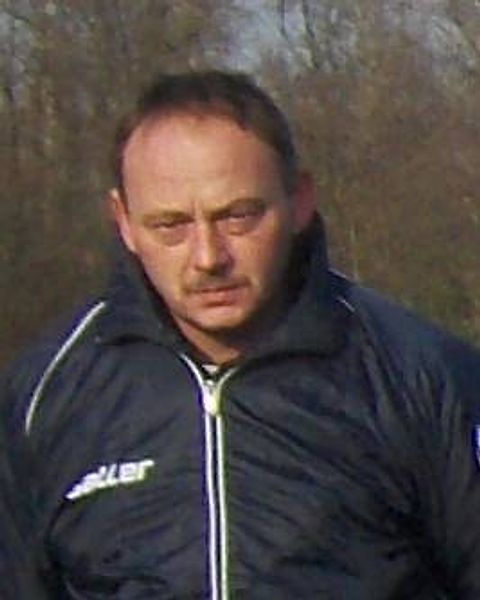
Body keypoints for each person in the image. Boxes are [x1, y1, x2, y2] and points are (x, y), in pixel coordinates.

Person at [2, 69, 480, 600]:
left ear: (299, 201)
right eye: (171, 225)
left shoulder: (425, 376)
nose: (208, 257)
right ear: (125, 222)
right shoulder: (44, 396)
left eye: (238, 217)